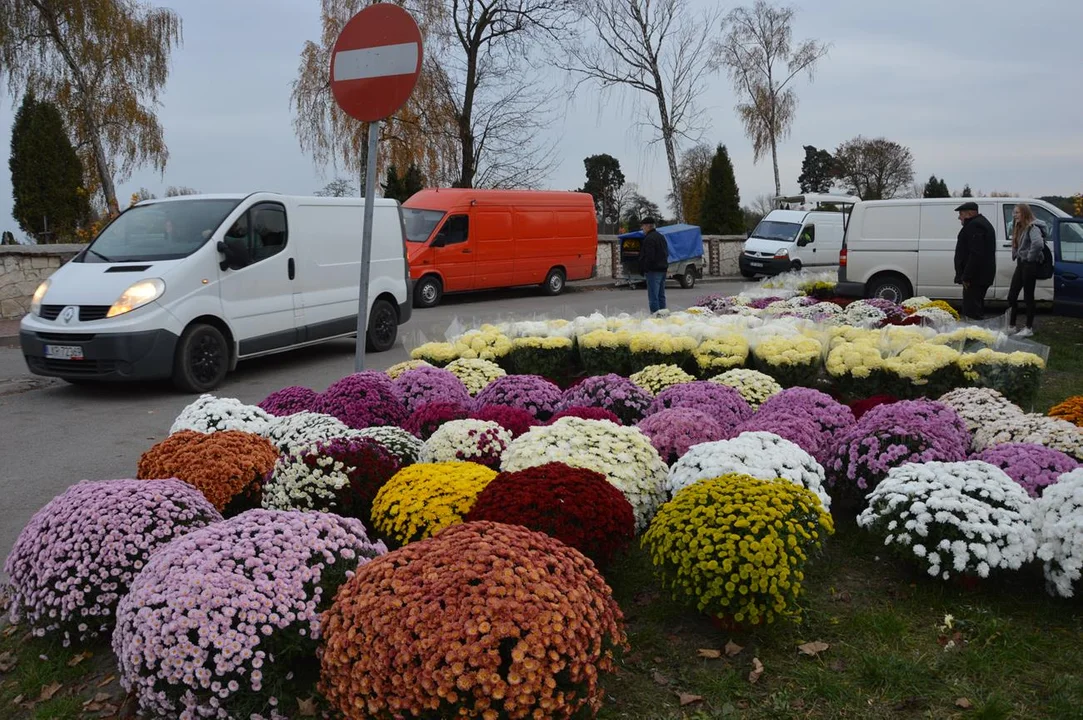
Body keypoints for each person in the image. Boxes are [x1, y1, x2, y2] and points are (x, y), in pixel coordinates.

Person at [953, 201, 997, 319]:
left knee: (972, 310)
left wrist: (966, 276)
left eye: (961, 214)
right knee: (975, 307)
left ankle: (974, 335)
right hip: (979, 276)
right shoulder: (979, 223)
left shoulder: (975, 226)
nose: (959, 217)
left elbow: (976, 254)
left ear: (969, 214)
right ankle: (975, 333)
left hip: (976, 277)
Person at [1007, 203, 1045, 338]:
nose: (1014, 215)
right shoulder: (1019, 227)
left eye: (1017, 213)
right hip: (1021, 264)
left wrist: (1029, 257)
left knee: (1028, 297)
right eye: (1014, 213)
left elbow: (1038, 243)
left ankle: (1028, 328)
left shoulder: (1033, 227)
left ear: (1024, 213)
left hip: (1029, 265)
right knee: (1012, 295)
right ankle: (1011, 326)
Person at [638, 217, 669, 313]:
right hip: (662, 269)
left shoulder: (649, 239)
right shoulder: (661, 237)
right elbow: (666, 252)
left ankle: (656, 317)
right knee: (661, 295)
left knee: (653, 296)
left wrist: (644, 268)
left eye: (643, 226)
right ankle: (663, 315)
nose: (642, 229)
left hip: (653, 270)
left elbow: (649, 256)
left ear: (648, 226)